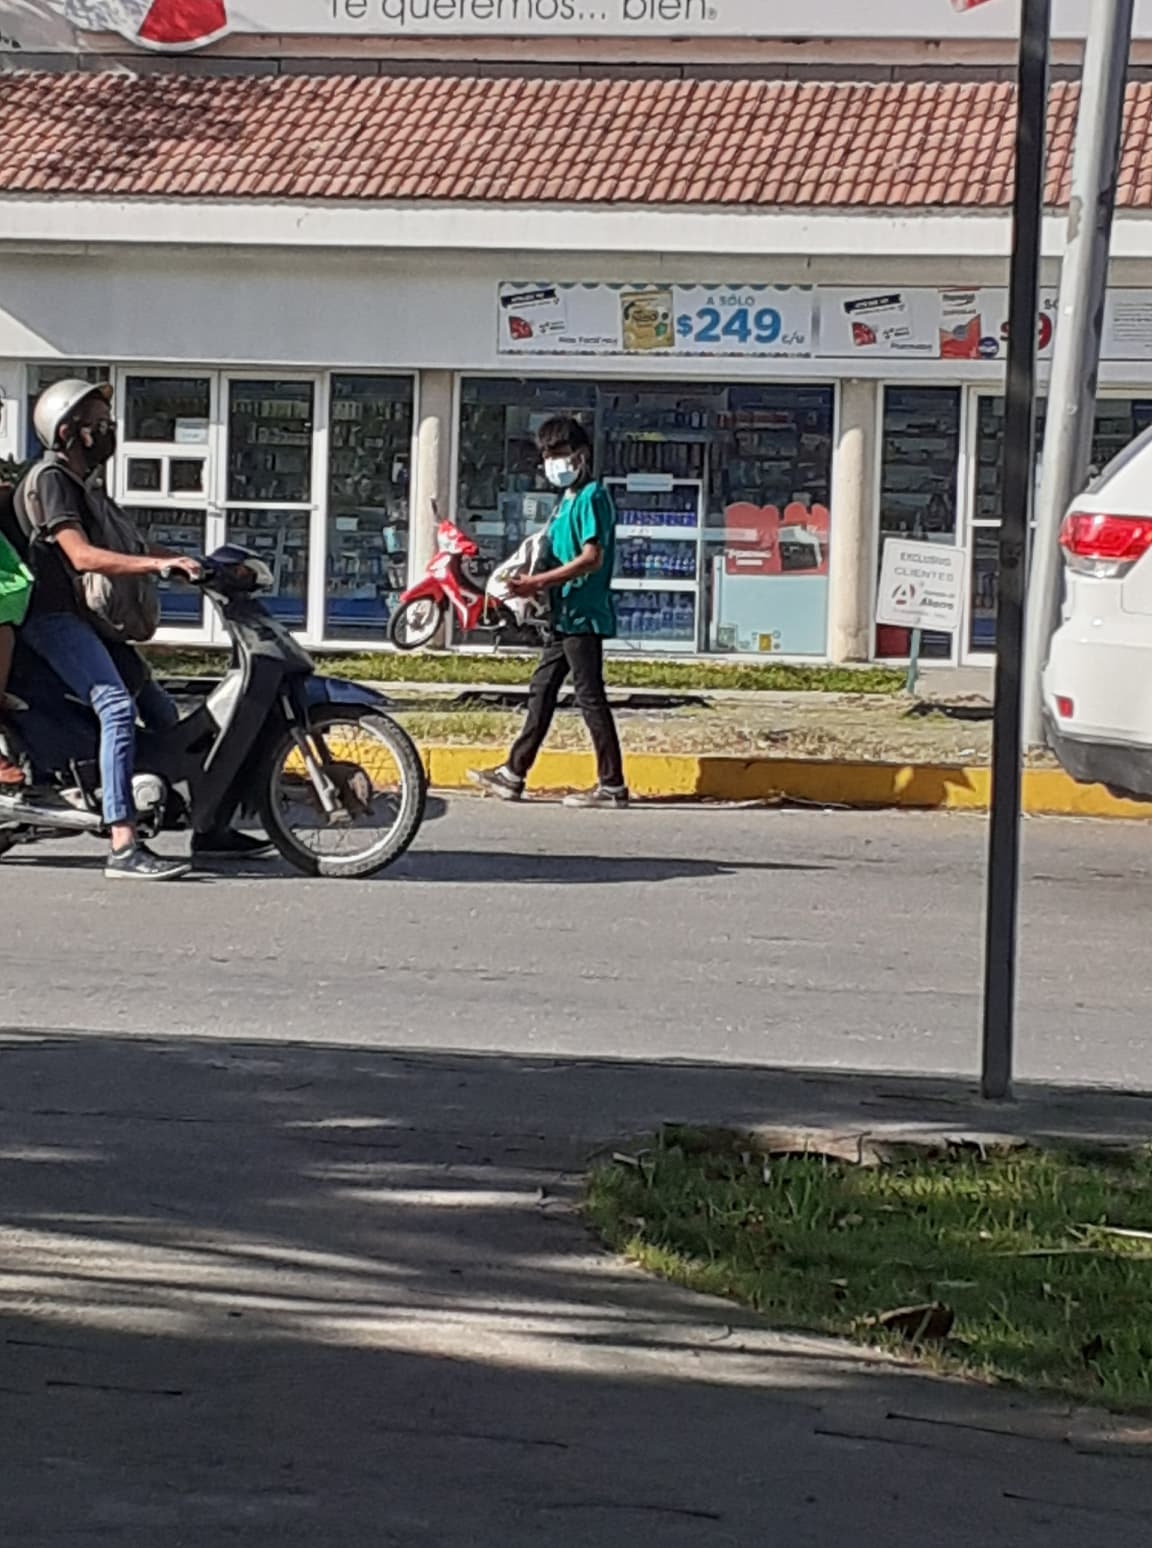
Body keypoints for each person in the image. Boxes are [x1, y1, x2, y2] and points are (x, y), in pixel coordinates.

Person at [16, 379, 271, 880]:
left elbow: (131, 542)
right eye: (99, 425)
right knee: (114, 705)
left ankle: (209, 828)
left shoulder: (89, 484)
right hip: (52, 619)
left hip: (86, 619)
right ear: (68, 432)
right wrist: (154, 568)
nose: (109, 432)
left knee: (158, 707)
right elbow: (81, 556)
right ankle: (122, 842)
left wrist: (192, 564)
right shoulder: (53, 480)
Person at [469, 416, 628, 809]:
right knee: (542, 690)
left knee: (590, 697)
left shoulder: (592, 497)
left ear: (581, 455)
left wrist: (539, 584)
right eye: (546, 455)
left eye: (558, 453)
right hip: (564, 613)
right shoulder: (565, 503)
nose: (552, 462)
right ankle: (513, 773)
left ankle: (612, 785)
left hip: (582, 613)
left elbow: (591, 558)